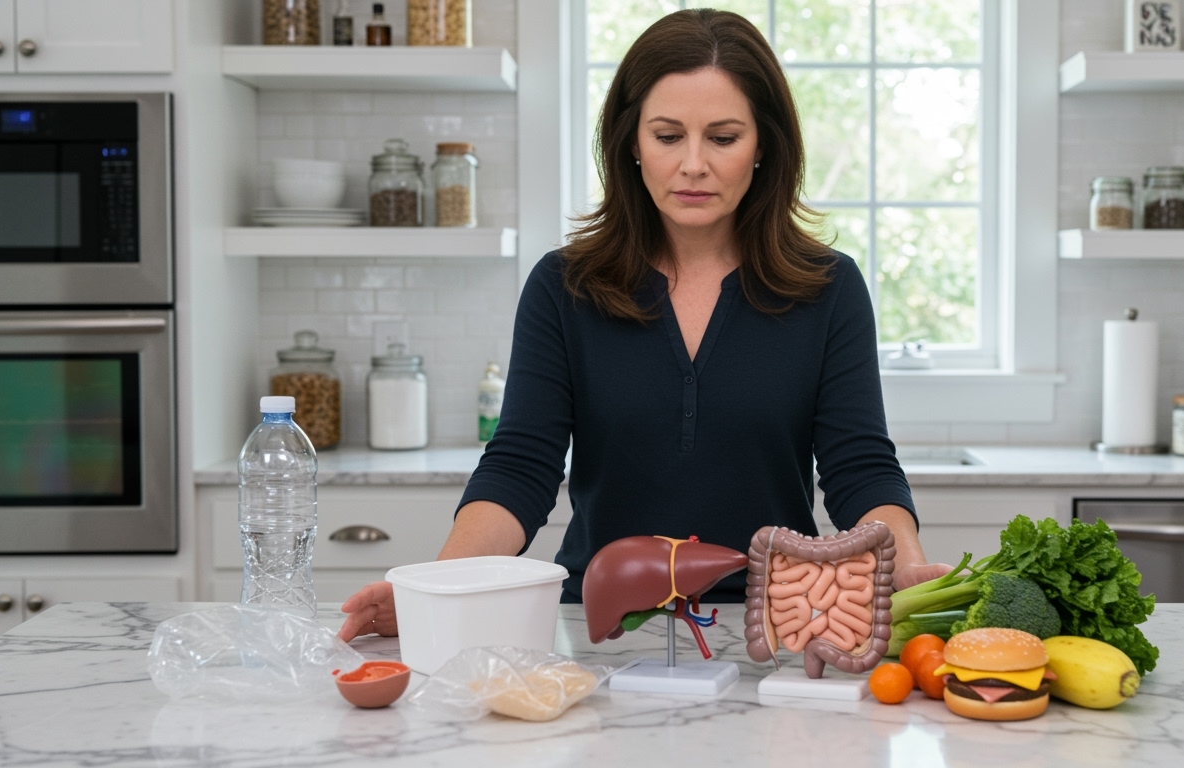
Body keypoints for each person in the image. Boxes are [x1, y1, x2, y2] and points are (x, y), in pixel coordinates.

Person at [338, 8, 948, 643]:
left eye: (722, 137)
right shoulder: (564, 285)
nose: (692, 165)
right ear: (631, 141)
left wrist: (905, 563)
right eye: (667, 136)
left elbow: (860, 466)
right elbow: (521, 466)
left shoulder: (828, 287)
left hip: (776, 628)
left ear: (764, 144)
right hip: (600, 624)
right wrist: (439, 589)